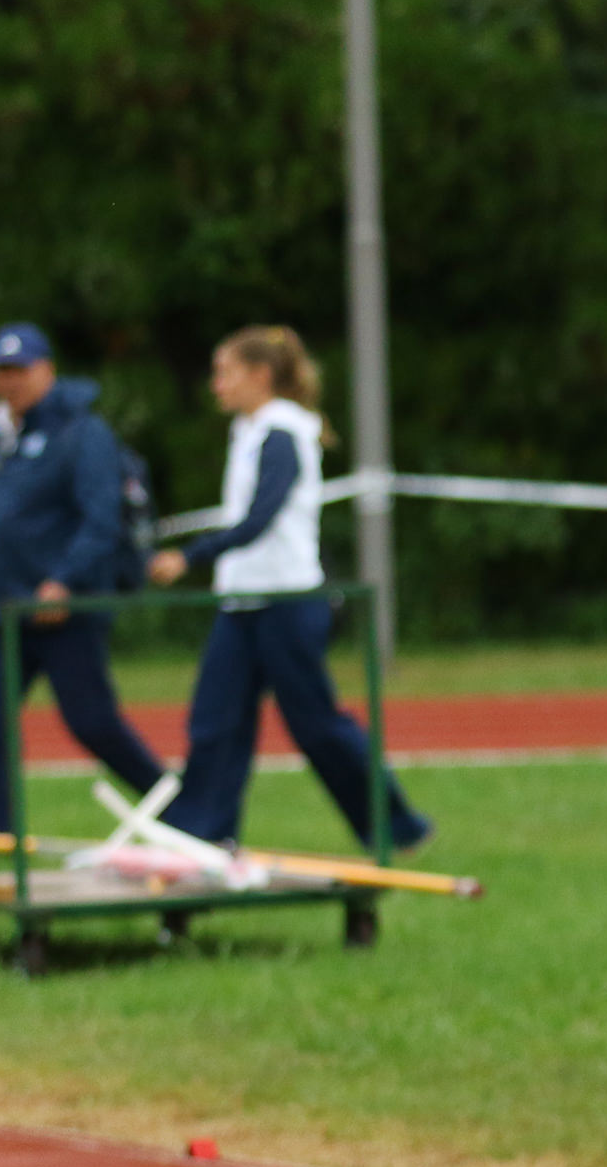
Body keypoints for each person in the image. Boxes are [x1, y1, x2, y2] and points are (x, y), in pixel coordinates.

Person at [148, 327, 430, 854]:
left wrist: (190, 556)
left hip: (287, 604)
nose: (216, 384)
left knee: (316, 725)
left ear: (260, 376)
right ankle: (203, 838)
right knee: (215, 722)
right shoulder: (249, 430)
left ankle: (397, 826)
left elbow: (260, 519)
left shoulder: (282, 434)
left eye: (225, 372)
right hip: (242, 603)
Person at [0, 322, 170, 834]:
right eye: (1, 371)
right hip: (9, 610)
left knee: (92, 723)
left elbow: (102, 520)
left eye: (20, 369)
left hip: (65, 610)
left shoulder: (83, 433)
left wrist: (64, 581)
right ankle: (0, 837)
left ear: (47, 369)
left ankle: (180, 805)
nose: (10, 381)